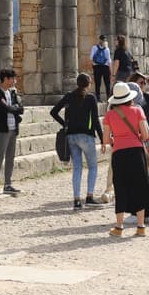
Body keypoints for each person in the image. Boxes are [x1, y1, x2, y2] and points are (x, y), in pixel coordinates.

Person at [104, 82, 149, 237]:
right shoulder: (138, 110)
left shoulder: (109, 115)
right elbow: (145, 135)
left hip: (119, 153)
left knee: (120, 187)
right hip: (136, 152)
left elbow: (106, 139)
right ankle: (141, 226)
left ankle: (119, 227)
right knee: (139, 186)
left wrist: (117, 139)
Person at [50, 72, 103, 209]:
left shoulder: (69, 96)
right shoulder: (91, 98)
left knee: (77, 168)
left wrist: (65, 124)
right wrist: (103, 139)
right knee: (92, 166)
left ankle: (77, 200)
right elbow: (95, 120)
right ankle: (89, 197)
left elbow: (53, 112)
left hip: (71, 136)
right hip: (86, 136)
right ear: (88, 84)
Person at [0, 68, 25, 197]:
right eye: (12, 78)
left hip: (13, 128)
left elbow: (20, 109)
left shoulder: (12, 93)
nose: (14, 81)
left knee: (10, 157)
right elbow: (4, 109)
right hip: (2, 130)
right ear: (6, 79)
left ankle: (7, 184)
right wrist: (13, 109)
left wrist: (12, 109)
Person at [90, 35, 112, 101]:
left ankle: (98, 98)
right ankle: (108, 97)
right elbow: (109, 60)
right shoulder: (107, 48)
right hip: (105, 67)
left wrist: (93, 66)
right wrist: (110, 70)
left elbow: (91, 58)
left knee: (98, 83)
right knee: (107, 83)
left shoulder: (94, 47)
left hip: (97, 67)